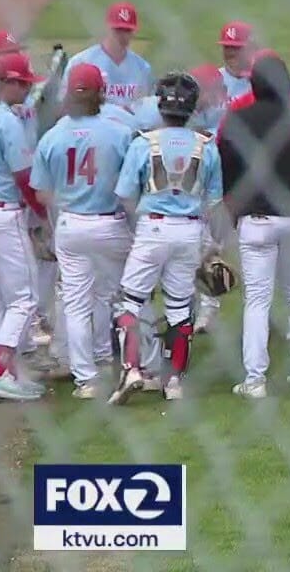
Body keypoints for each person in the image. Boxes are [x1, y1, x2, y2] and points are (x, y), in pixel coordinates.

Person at [217, 55, 290, 398]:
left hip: (256, 219)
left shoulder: (239, 118)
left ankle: (255, 379)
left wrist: (233, 210)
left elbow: (226, 170)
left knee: (258, 299)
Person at [109, 72, 223, 405]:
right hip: (189, 230)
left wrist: (137, 225)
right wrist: (213, 243)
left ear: (160, 106)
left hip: (153, 227)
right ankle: (173, 380)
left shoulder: (144, 143)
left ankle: (132, 368)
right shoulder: (206, 146)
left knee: (128, 301)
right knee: (178, 307)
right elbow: (214, 202)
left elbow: (126, 195)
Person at [29, 62, 135, 398]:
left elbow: (42, 192)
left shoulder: (52, 136)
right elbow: (129, 187)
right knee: (109, 296)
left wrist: (62, 209)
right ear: (100, 93)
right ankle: (105, 358)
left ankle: (86, 378)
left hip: (72, 225)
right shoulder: (118, 132)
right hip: (111, 223)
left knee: (74, 302)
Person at [0, 55, 48, 401]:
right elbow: (24, 178)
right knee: (24, 296)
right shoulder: (4, 120)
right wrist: (43, 216)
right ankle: (2, 370)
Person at [60, 1, 154, 109]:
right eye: (118, 30)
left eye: (127, 30)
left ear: (134, 32)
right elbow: (64, 104)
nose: (122, 36)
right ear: (107, 28)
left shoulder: (143, 68)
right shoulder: (80, 62)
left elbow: (147, 109)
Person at [218, 21, 256, 101]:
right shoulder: (214, 80)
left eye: (237, 48)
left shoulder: (267, 80)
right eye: (227, 47)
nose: (231, 53)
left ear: (251, 48)